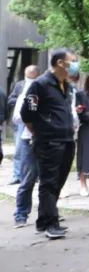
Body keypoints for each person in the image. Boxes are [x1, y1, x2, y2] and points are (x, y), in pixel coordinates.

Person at [20, 49, 81, 238]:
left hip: (67, 139)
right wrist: (40, 132)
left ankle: (43, 219)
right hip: (48, 141)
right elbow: (27, 114)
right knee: (49, 182)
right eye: (73, 60)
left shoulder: (66, 86)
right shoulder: (40, 85)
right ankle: (51, 224)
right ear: (60, 63)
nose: (76, 64)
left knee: (58, 181)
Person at [12, 81, 38, 228]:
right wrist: (32, 127)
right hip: (30, 139)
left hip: (49, 140)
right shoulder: (28, 95)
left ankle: (49, 212)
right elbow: (19, 117)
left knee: (50, 180)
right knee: (28, 179)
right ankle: (21, 214)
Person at [7, 65, 39, 185]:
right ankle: (17, 175)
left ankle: (35, 174)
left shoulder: (40, 85)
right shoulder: (20, 85)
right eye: (27, 76)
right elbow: (11, 99)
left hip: (36, 121)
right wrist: (21, 101)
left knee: (36, 149)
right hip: (21, 121)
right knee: (19, 150)